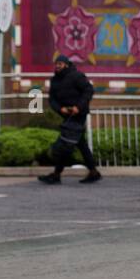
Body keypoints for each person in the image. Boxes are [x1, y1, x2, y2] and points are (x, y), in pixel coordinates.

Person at [38, 54, 102, 185]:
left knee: (67, 143)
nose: (57, 67)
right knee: (77, 144)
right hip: (67, 116)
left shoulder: (76, 76)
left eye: (60, 64)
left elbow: (88, 90)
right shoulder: (54, 80)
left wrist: (78, 107)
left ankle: (57, 174)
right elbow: (52, 99)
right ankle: (93, 172)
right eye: (56, 64)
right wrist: (60, 109)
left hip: (78, 115)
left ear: (66, 65)